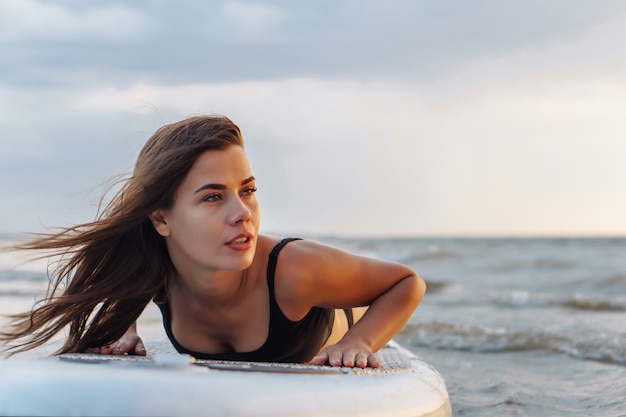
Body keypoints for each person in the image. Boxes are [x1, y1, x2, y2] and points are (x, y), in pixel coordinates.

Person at [1, 115, 425, 368]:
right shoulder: (153, 271)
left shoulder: (293, 268)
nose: (242, 212)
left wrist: (360, 342)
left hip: (335, 321)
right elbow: (113, 280)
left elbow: (406, 282)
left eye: (248, 190)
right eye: (213, 197)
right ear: (162, 219)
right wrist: (123, 329)